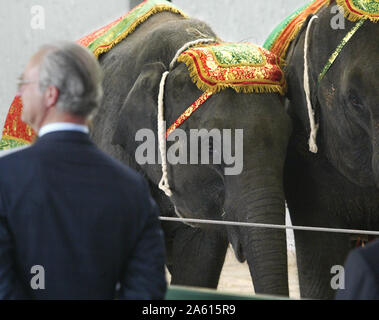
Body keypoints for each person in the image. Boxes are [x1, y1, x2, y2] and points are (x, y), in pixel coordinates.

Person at [0, 42, 167, 299]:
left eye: (25, 83)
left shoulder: (6, 177)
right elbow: (146, 290)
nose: (20, 92)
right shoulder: (132, 188)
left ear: (50, 95)